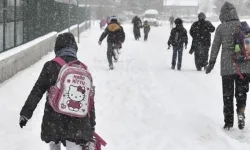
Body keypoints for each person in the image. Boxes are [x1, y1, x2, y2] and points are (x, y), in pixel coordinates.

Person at [19, 32, 96, 150]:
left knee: (54, 144)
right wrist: (91, 125)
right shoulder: (82, 69)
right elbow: (89, 101)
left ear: (57, 48)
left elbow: (37, 90)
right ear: (74, 48)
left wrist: (26, 113)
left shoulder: (50, 66)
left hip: (53, 119)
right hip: (77, 123)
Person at [206, 2, 250, 130]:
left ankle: (229, 121)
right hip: (245, 67)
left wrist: (211, 62)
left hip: (227, 68)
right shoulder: (243, 26)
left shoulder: (221, 28)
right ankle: (241, 112)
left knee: (228, 95)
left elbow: (215, 47)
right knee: (241, 93)